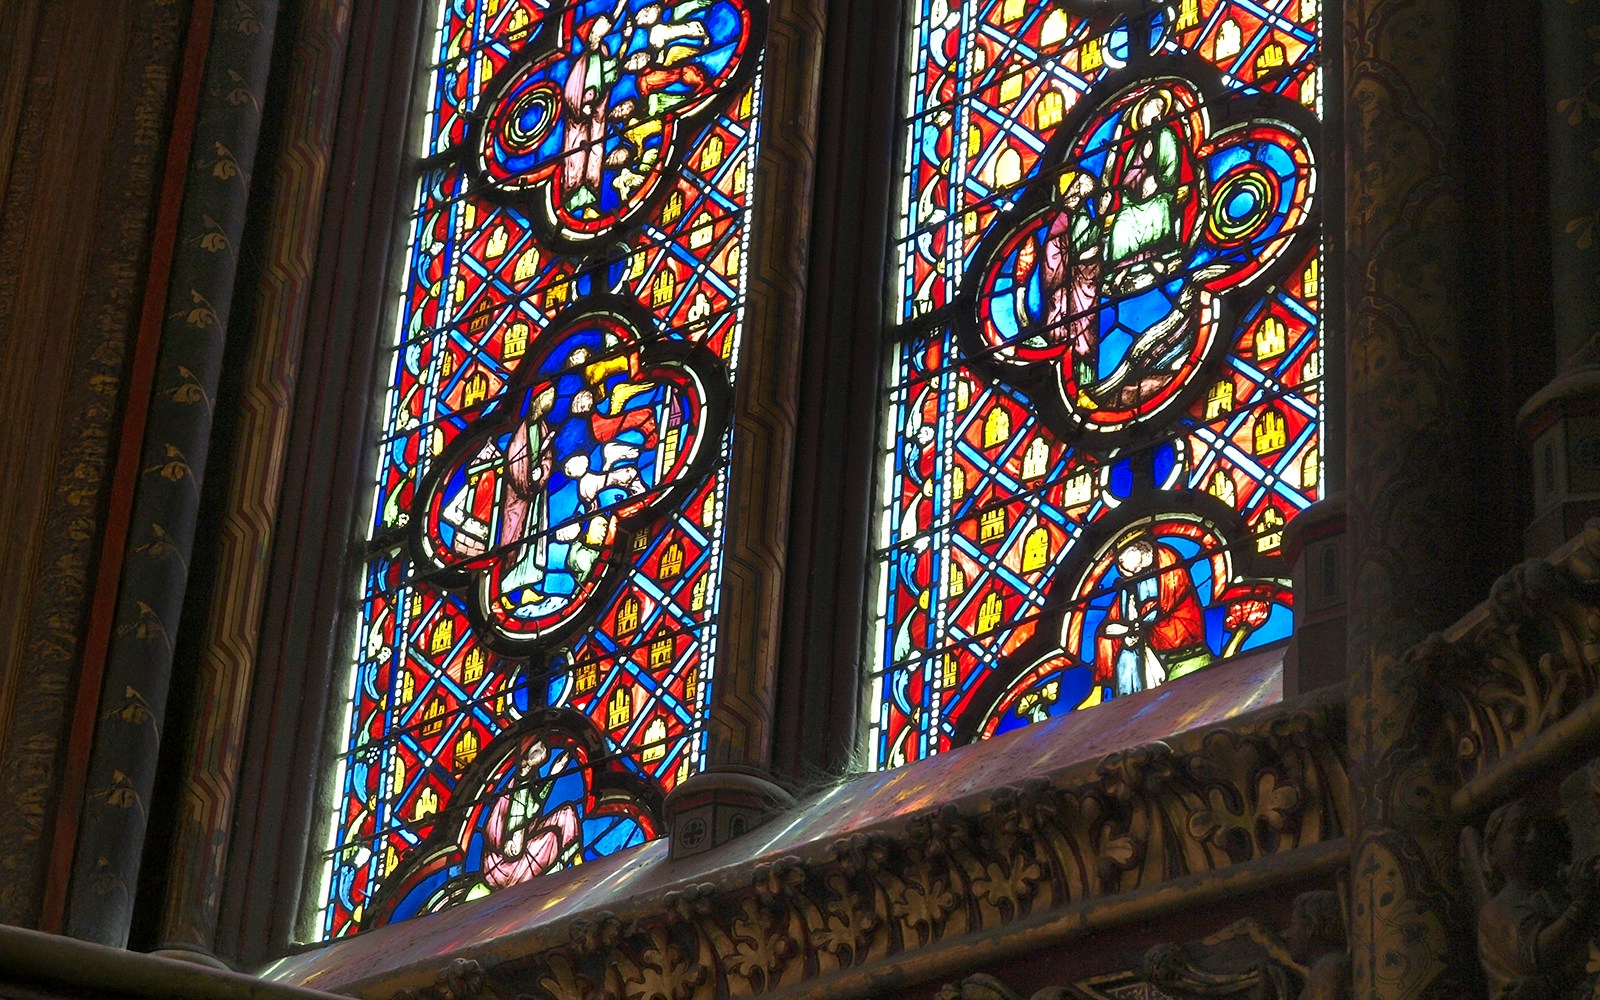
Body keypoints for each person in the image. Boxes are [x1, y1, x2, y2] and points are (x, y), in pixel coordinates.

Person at [1094, 537, 1206, 698]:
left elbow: (1162, 606)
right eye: (1119, 560)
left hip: (1183, 652)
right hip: (1151, 654)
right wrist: (1117, 631)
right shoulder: (1130, 585)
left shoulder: (1167, 567)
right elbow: (1113, 620)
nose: (1121, 561)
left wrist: (1129, 629)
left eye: (1126, 554)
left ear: (1143, 551)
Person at [482, 742, 581, 889]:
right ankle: (555, 874)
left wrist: (554, 772)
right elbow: (512, 835)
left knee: (567, 813)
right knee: (551, 838)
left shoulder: (528, 781)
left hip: (522, 847)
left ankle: (573, 862)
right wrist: (514, 836)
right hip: (502, 867)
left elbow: (535, 804)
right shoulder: (515, 787)